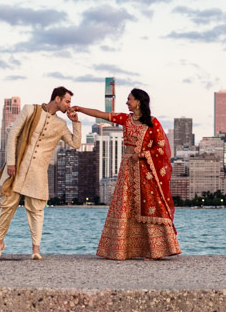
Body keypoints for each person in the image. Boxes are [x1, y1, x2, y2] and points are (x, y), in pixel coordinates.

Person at [73, 88, 181, 260]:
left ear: (138, 101)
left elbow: (160, 148)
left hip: (145, 171)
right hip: (127, 169)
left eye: (129, 99)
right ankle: (123, 250)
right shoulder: (125, 119)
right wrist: (80, 109)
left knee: (150, 205)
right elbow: (103, 114)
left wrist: (143, 155)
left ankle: (156, 250)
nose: (127, 102)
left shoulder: (152, 123)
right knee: (125, 206)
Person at [0, 86, 81, 260]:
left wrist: (75, 122)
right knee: (6, 206)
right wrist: (11, 162)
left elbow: (75, 143)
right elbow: (13, 134)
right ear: (57, 99)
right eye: (67, 101)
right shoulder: (30, 110)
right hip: (18, 166)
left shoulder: (61, 124)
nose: (69, 105)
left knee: (36, 210)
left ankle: (35, 250)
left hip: (38, 173)